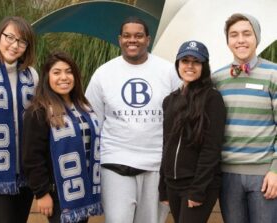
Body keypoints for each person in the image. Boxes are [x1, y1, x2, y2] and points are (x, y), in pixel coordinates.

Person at [85, 16, 179, 223]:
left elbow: (180, 118)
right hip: (115, 162)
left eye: (138, 36)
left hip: (156, 165)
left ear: (148, 39)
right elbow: (93, 120)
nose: (132, 40)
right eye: (127, 36)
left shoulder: (168, 71)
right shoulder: (103, 74)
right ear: (120, 39)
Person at [22, 51, 103, 223]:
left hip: (83, 191)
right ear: (47, 77)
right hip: (58, 193)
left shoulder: (84, 108)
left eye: (69, 71)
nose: (64, 77)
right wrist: (41, 193)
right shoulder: (39, 111)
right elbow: (32, 158)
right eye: (57, 72)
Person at [212, 13, 277, 223]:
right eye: (234, 35)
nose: (240, 40)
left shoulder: (273, 74)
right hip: (227, 176)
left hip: (264, 174)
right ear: (228, 41)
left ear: (256, 37)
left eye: (246, 34)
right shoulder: (217, 78)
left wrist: (276, 170)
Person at [0, 16, 38, 223]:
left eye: (21, 41)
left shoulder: (32, 76)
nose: (14, 45)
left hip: (26, 172)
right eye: (9, 37)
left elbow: (37, 124)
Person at [159, 40, 226, 223]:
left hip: (198, 185)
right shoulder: (169, 101)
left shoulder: (212, 99)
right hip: (172, 184)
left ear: (204, 66)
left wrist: (197, 190)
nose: (190, 66)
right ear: (178, 64)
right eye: (185, 61)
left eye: (196, 61)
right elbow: (167, 145)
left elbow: (211, 149)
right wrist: (163, 185)